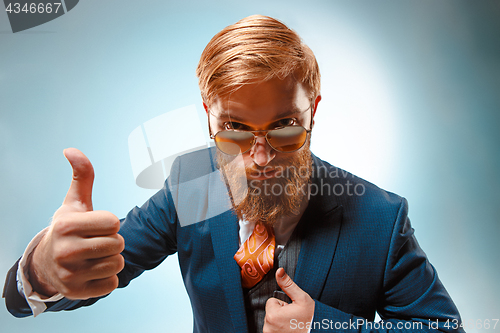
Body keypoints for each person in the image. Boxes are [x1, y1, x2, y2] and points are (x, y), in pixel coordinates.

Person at [3, 15, 464, 333]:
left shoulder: (380, 218)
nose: (260, 158)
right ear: (208, 117)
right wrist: (43, 270)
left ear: (313, 112)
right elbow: (94, 270)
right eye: (235, 129)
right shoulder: (190, 186)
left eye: (284, 127)